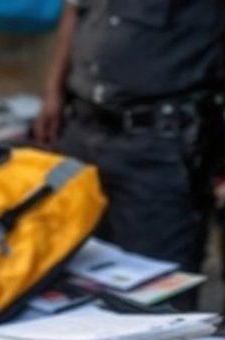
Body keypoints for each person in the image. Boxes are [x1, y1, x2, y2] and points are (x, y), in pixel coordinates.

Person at [35, 0, 225, 277]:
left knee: (154, 290)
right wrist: (53, 92)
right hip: (82, 132)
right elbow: (75, 8)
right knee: (75, 275)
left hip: (161, 151)